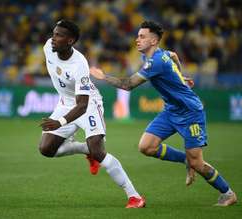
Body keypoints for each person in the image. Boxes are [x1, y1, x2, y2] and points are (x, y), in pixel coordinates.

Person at [90, 21, 237, 207]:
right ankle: (185, 159)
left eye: (142, 36)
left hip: (190, 112)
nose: (137, 39)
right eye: (137, 35)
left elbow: (128, 85)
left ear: (153, 41)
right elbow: (174, 56)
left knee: (198, 164)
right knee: (146, 147)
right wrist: (180, 77)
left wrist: (103, 77)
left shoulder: (155, 62)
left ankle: (228, 193)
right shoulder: (159, 55)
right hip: (171, 110)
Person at [38, 20, 146, 208]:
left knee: (99, 151)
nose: (53, 38)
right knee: (46, 149)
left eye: (59, 35)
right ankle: (85, 149)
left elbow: (82, 105)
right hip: (66, 103)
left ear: (70, 41)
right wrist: (61, 119)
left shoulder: (80, 65)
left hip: (87, 104)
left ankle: (134, 197)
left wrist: (60, 122)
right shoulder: (48, 47)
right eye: (53, 33)